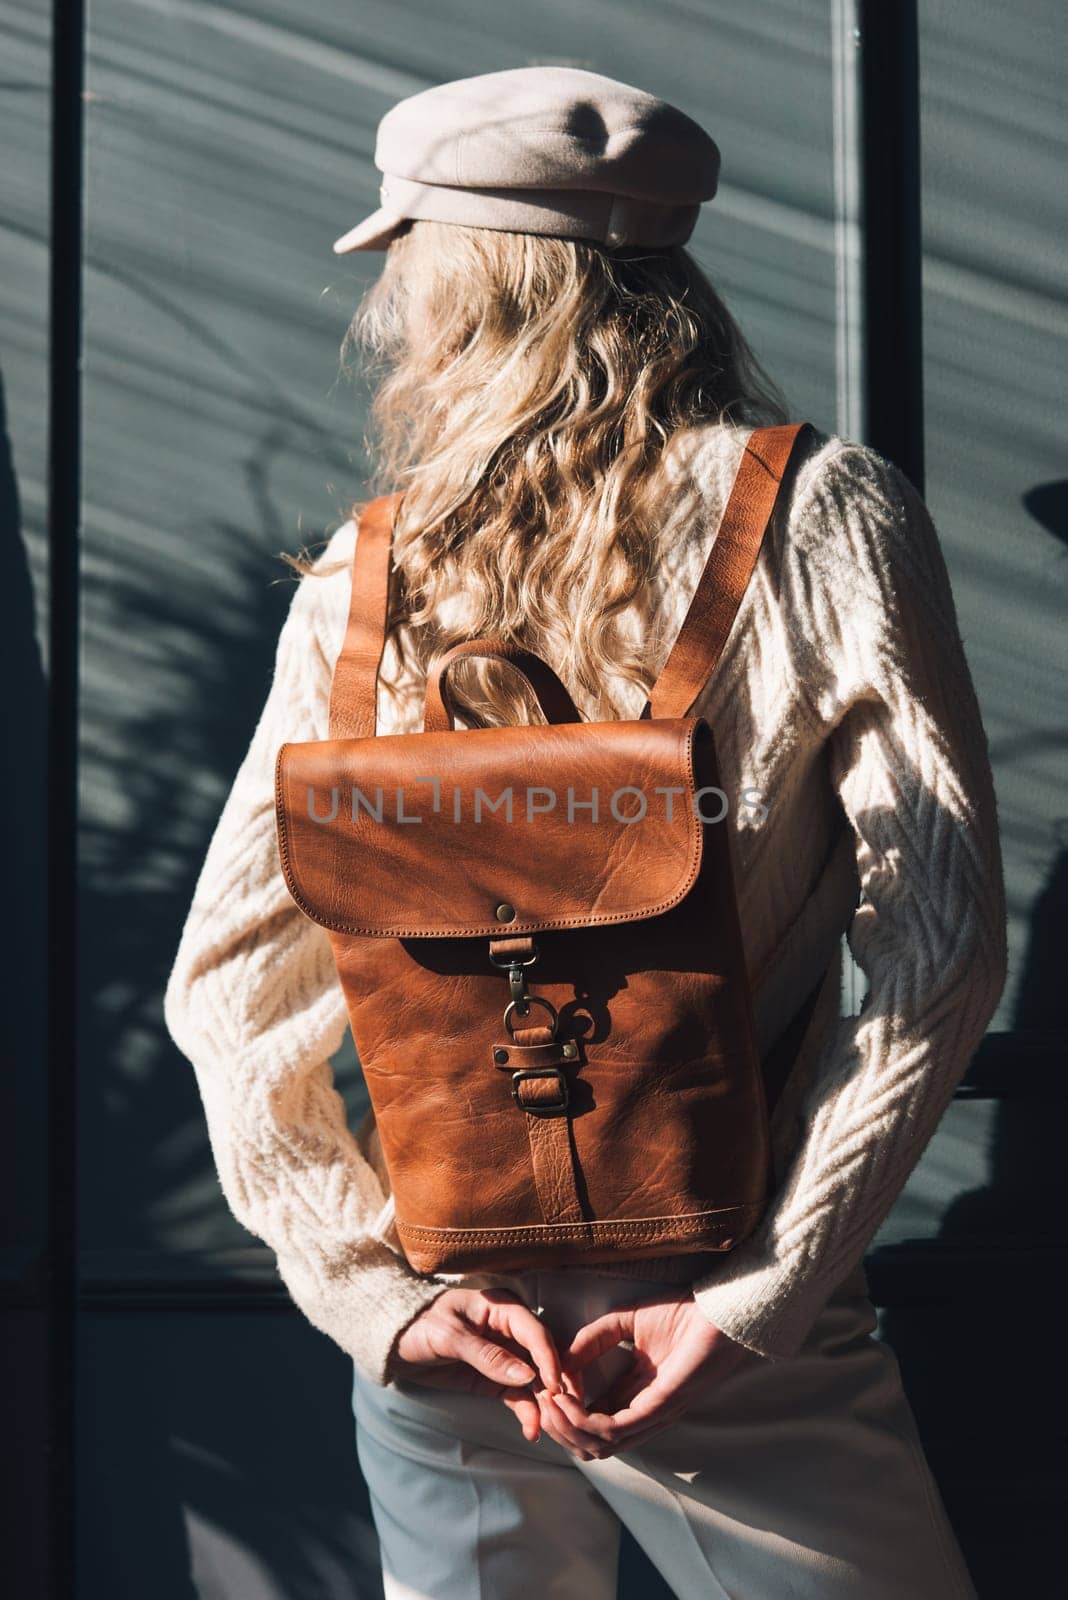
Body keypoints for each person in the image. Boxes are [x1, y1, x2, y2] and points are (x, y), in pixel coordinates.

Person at [164, 65, 1007, 1600]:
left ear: (466, 285)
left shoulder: (365, 573)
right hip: (711, 1273)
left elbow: (225, 988)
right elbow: (936, 946)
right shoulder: (822, 510)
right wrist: (754, 1297)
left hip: (449, 1282)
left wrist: (379, 1299)